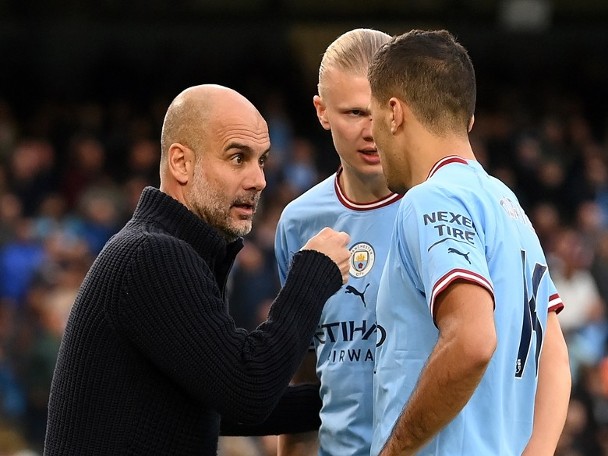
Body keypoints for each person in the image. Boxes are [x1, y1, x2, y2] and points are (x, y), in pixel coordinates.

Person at [43, 84, 352, 456]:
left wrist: (346, 398)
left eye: (262, 160)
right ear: (181, 163)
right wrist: (313, 273)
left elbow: (215, 405)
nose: (259, 180)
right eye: (238, 158)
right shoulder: (152, 255)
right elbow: (247, 390)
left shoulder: (170, 250)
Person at [367, 30, 571, 455]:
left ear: (393, 113)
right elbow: (554, 355)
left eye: (369, 115)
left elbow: (473, 339)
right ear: (469, 121)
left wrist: (394, 451)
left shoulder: (432, 198)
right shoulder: (508, 206)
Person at [274, 28, 401, 456]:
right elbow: (304, 369)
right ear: (321, 111)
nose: (370, 131)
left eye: (381, 111)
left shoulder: (439, 209)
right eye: (353, 113)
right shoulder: (298, 224)